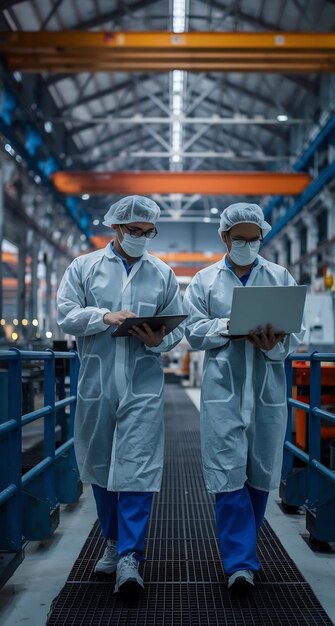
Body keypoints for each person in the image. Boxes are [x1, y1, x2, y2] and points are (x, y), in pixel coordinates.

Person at [57, 195, 184, 595]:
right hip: (96, 382)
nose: (142, 239)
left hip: (142, 384)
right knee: (99, 465)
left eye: (149, 233)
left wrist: (158, 339)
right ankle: (111, 542)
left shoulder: (162, 273)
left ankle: (131, 555)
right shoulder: (84, 267)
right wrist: (103, 316)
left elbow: (178, 329)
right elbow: (65, 313)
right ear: (116, 229)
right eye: (135, 232)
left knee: (137, 468)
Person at [183, 202, 305, 595]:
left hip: (267, 390)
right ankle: (239, 563)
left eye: (255, 241)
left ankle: (244, 551)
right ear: (224, 237)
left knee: (260, 474)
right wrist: (229, 325)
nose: (249, 247)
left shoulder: (279, 275)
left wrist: (275, 343)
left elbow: (295, 334)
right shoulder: (204, 280)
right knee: (227, 474)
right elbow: (193, 331)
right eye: (241, 240)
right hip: (225, 392)